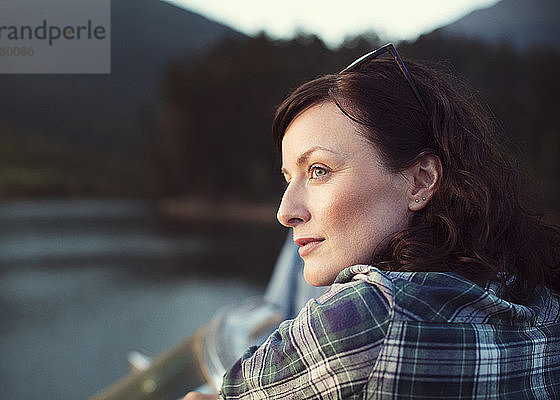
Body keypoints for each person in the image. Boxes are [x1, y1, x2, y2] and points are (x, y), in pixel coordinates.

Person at [185, 43, 560, 399]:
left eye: (318, 170)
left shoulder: (371, 314)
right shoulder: (536, 295)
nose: (285, 211)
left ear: (421, 181)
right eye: (288, 179)